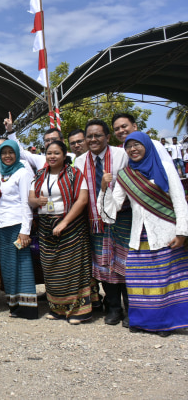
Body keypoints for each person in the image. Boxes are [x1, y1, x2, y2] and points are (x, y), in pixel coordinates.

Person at [99, 132, 188, 336]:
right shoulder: (126, 175)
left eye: (137, 145)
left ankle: (167, 324)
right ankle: (147, 322)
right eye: (128, 146)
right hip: (139, 236)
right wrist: (104, 189)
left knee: (167, 281)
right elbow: (111, 211)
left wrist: (182, 232)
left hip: (167, 233)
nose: (133, 149)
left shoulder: (165, 168)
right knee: (142, 281)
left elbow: (179, 200)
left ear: (147, 146)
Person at [29, 141, 92, 324]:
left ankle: (78, 311)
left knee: (72, 270)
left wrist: (64, 222)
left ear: (64, 155)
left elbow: (82, 200)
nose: (52, 156)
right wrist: (36, 201)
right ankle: (57, 309)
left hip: (70, 226)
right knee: (51, 270)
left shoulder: (74, 174)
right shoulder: (40, 175)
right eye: (49, 153)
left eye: (56, 153)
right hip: (46, 227)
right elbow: (31, 198)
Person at [75, 119, 130, 326]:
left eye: (98, 135)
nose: (93, 139)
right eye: (89, 136)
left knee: (124, 264)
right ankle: (114, 308)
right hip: (95, 221)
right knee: (104, 266)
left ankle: (131, 309)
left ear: (108, 137)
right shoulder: (80, 162)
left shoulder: (120, 155)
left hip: (121, 217)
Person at [0, 140, 38, 319]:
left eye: (10, 152)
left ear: (16, 154)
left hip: (17, 226)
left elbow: (25, 203)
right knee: (7, 267)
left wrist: (25, 230)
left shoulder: (23, 173)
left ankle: (27, 308)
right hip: (1, 227)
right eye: (3, 152)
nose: (7, 156)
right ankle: (14, 305)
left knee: (22, 264)